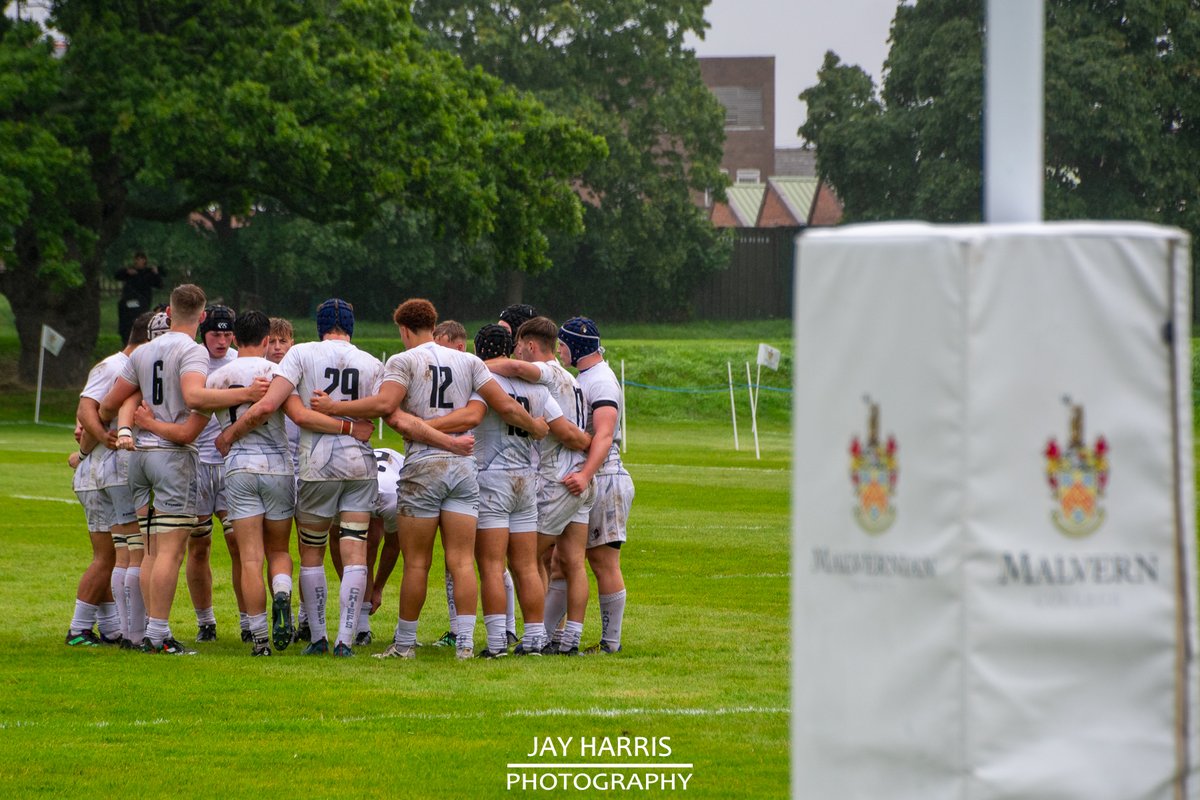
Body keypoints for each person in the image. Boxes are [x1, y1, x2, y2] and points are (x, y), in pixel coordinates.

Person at [218, 299, 466, 658]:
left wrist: (230, 432)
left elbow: (281, 408)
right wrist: (354, 426)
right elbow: (388, 409)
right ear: (352, 327)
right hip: (358, 464)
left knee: (312, 552)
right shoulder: (371, 361)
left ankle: (318, 637)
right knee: (355, 551)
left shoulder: (301, 354)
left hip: (316, 464)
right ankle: (346, 640)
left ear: (319, 327)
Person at [311, 298, 546, 661]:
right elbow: (504, 405)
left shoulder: (403, 361)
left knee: (417, 562)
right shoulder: (468, 361)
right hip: (463, 467)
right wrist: (535, 426)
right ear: (434, 326)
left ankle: (405, 644)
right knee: (462, 561)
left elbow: (383, 406)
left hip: (423, 466)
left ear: (404, 329)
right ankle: (465, 643)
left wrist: (334, 407)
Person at [98, 284, 267, 656]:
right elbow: (193, 397)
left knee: (150, 550)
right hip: (173, 454)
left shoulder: (143, 351)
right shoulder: (191, 351)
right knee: (171, 552)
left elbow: (109, 404)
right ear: (202, 317)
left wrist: (123, 424)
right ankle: (158, 635)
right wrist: (246, 394)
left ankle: (146, 633)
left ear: (170, 313)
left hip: (139, 456)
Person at [209, 310, 372, 655]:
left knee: (251, 558)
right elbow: (293, 413)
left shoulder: (218, 377)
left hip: (240, 466)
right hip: (283, 468)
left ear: (235, 340)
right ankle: (325, 621)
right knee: (283, 550)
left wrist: (227, 437)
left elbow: (212, 405)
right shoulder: (277, 372)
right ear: (268, 341)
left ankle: (260, 641)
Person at [466, 323, 590, 657]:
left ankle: (495, 643)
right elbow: (557, 425)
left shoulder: (482, 380)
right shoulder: (539, 388)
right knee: (526, 564)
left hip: (493, 478)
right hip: (527, 479)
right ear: (509, 348)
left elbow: (472, 417)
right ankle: (535, 638)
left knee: (492, 564)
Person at [69, 311, 156, 649]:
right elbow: (86, 409)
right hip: (105, 472)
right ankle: (79, 628)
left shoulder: (126, 366)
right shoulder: (115, 366)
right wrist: (98, 440)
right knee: (114, 555)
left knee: (110, 553)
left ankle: (109, 627)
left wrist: (87, 447)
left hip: (98, 471)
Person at [559, 317, 633, 654]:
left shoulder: (601, 380)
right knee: (564, 560)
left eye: (563, 344)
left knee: (603, 563)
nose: (560, 351)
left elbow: (604, 434)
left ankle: (610, 643)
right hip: (595, 475)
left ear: (577, 346)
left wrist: (586, 475)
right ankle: (553, 636)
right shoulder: (586, 377)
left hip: (605, 477)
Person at [189, 304, 238, 643]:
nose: (221, 341)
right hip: (197, 464)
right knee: (199, 546)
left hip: (232, 466)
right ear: (203, 333)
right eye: (214, 335)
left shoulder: (238, 361)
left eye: (226, 334)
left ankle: (251, 621)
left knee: (239, 544)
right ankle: (205, 622)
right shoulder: (193, 363)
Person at [114, 251, 164, 344]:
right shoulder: (130, 273)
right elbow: (117, 275)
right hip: (129, 303)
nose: (138, 261)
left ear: (145, 261)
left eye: (141, 259)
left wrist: (156, 273)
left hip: (143, 303)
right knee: (128, 325)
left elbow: (159, 284)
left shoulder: (148, 273)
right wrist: (126, 271)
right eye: (137, 259)